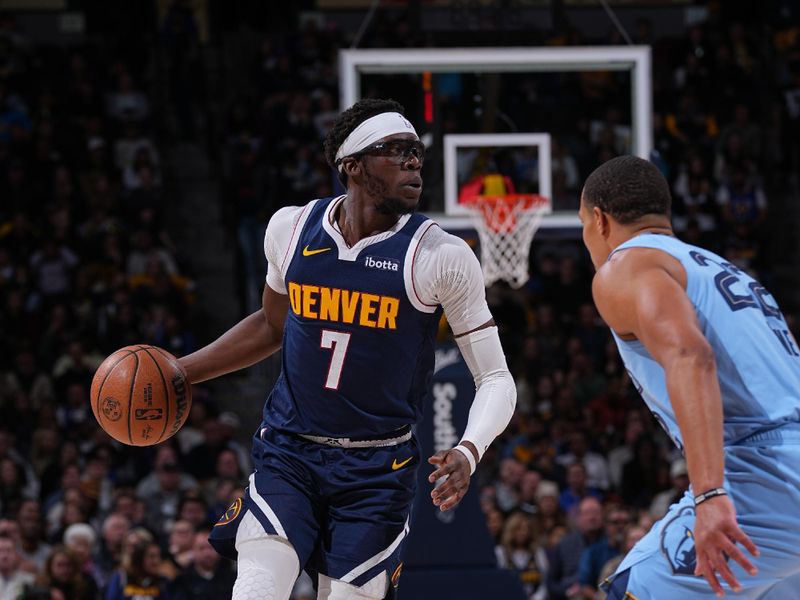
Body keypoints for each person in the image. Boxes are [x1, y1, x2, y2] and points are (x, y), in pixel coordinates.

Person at [178, 98, 517, 600]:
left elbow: (495, 378)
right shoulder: (289, 229)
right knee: (257, 585)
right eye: (396, 151)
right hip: (290, 450)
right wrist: (182, 371)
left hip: (378, 469)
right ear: (352, 166)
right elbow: (272, 326)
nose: (413, 161)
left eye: (416, 153)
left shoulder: (440, 256)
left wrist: (470, 450)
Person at [578, 155, 800, 599]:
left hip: (763, 476)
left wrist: (709, 494)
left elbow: (690, 354)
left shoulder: (625, 267)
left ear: (599, 221)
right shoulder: (726, 271)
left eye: (583, 223)